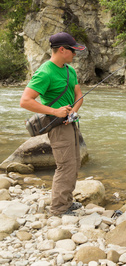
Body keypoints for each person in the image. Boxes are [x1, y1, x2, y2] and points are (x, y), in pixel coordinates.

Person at [20, 32, 86, 216]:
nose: (75, 54)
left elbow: (78, 95)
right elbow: (25, 101)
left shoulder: (69, 70)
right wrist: (55, 111)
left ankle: (67, 201)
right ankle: (58, 208)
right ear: (62, 49)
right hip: (57, 126)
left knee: (74, 163)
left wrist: (74, 110)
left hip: (71, 122)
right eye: (73, 50)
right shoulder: (45, 72)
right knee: (65, 165)